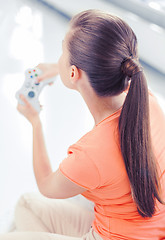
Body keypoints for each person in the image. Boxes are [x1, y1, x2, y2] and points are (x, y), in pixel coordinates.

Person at [1, 9, 165, 240]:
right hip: (150, 228)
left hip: (112, 236)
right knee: (26, 206)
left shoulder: (90, 154)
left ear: (73, 73)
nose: (59, 58)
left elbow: (47, 186)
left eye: (62, 52)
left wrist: (35, 122)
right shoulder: (146, 99)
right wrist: (57, 69)